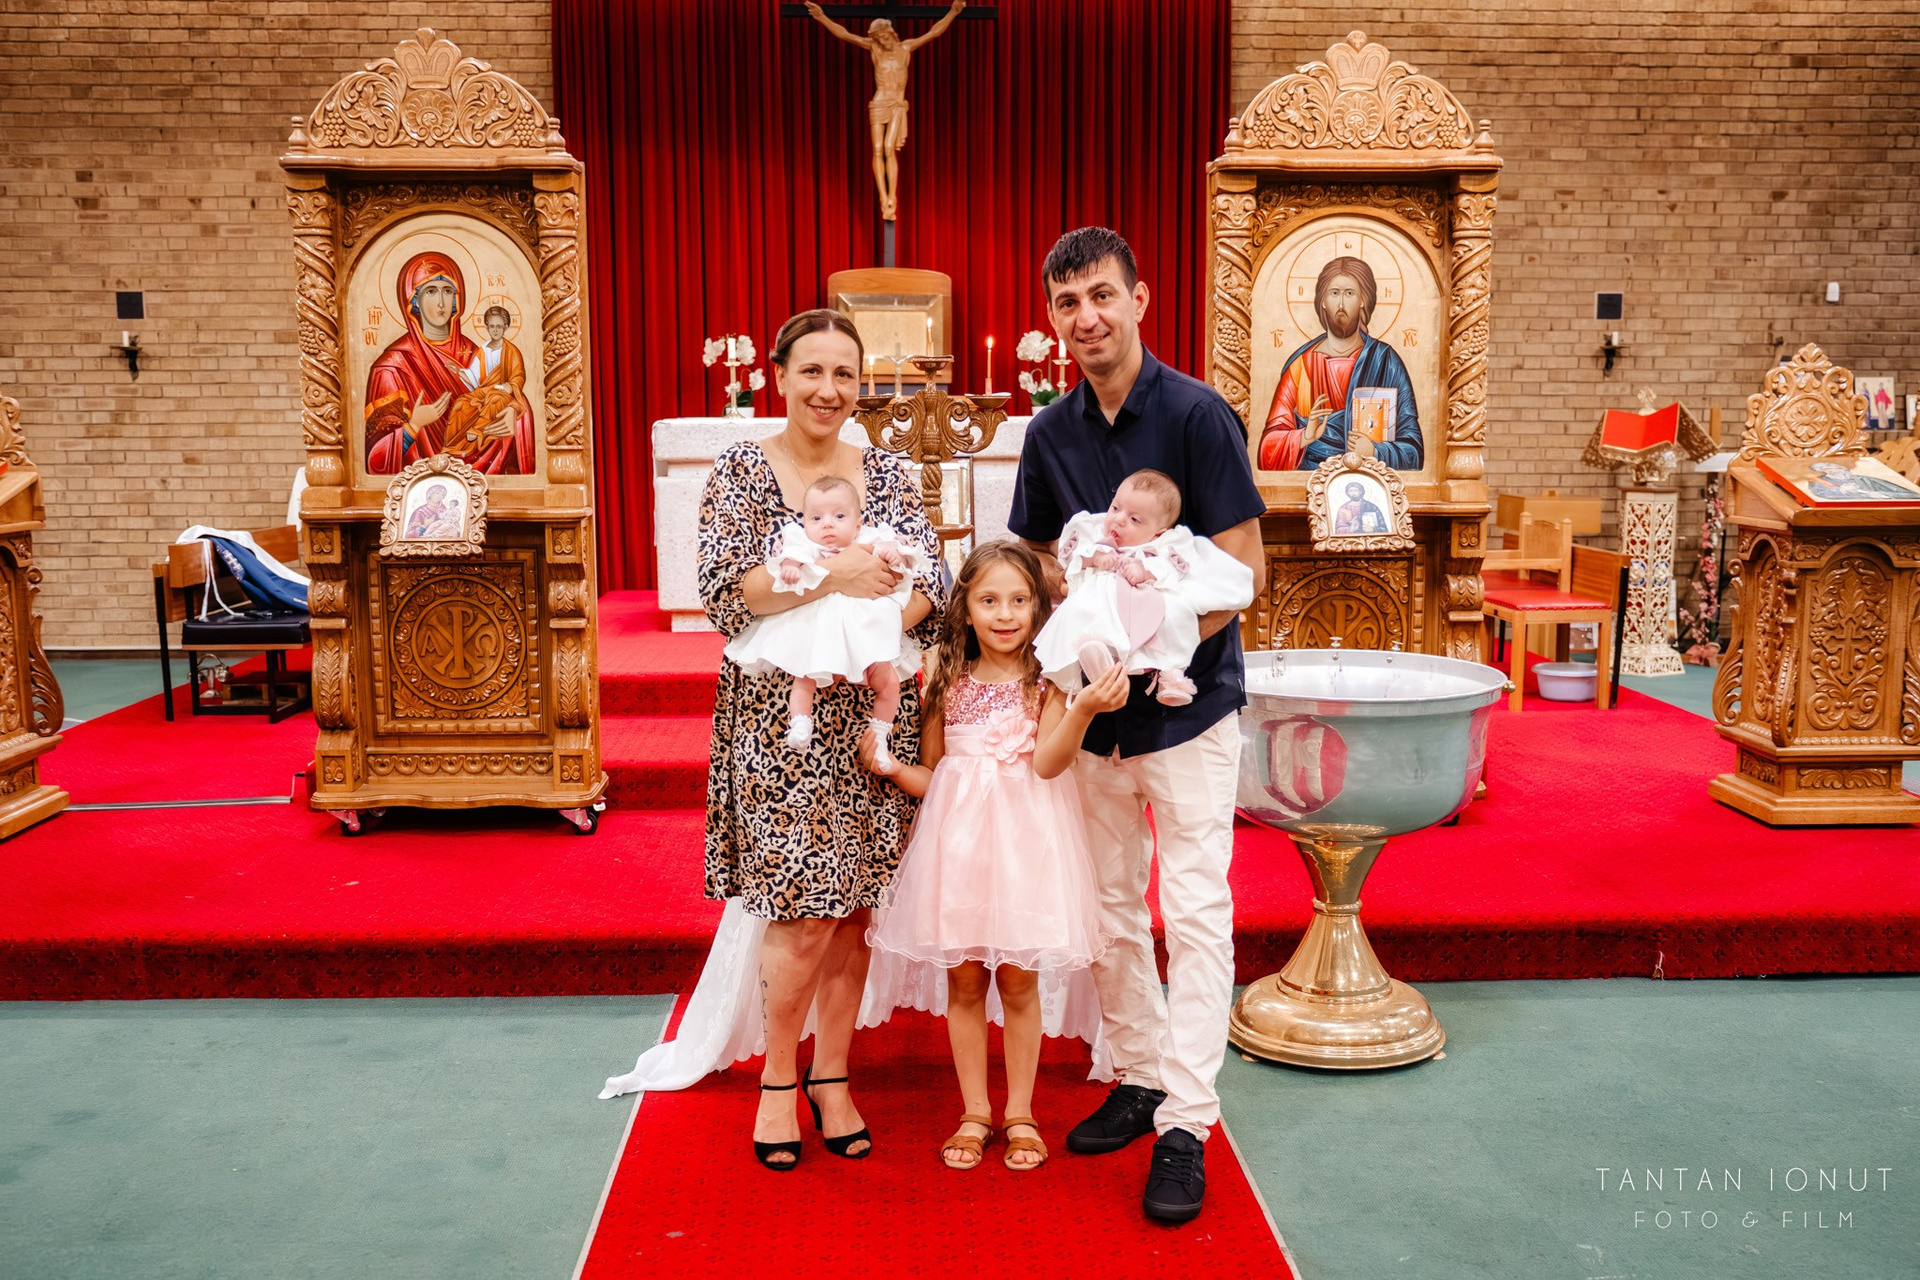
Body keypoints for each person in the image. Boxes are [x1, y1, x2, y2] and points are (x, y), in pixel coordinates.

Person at [1008, 227, 1266, 1223]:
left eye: (1102, 295)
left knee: (1194, 913)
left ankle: (1187, 1121)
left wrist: (1151, 650)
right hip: (1092, 715)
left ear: (1140, 298)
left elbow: (1244, 569)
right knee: (1111, 909)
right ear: (1053, 317)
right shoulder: (1048, 435)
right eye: (1068, 302)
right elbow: (1036, 561)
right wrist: (1071, 641)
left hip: (1186, 712)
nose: (1087, 318)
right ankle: (1142, 1071)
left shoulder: (1198, 414)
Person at [659, 309, 942, 1170]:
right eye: (812, 371)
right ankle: (778, 1078)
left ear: (862, 385)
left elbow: (929, 582)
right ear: (780, 375)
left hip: (869, 717)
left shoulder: (887, 472)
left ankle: (833, 1074)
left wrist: (872, 623)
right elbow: (723, 591)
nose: (828, 389)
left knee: (854, 905)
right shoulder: (743, 470)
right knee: (800, 911)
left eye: (844, 374)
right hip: (780, 725)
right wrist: (838, 574)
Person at [863, 541, 1128, 1171]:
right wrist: (892, 767)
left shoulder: (1050, 681)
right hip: (958, 852)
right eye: (988, 600)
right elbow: (936, 775)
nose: (1004, 614)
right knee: (963, 980)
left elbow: (1048, 764)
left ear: (1038, 608)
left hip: (1026, 852)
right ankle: (975, 1111)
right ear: (967, 607)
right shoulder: (944, 680)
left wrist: (1082, 709)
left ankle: (1022, 1113)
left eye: (1018, 600)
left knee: (1017, 979)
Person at [722, 474, 929, 768]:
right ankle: (800, 722)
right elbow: (790, 557)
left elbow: (901, 558)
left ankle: (880, 735)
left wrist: (894, 554)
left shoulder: (868, 539)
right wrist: (792, 566)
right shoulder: (807, 545)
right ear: (805, 523)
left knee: (888, 682)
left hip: (864, 632)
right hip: (822, 632)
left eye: (839, 516)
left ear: (858, 523)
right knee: (804, 675)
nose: (827, 524)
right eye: (817, 518)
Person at [1034, 469, 1255, 707]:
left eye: (1135, 520)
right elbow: (1072, 557)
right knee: (1084, 611)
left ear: (1157, 533)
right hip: (1102, 596)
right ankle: (1103, 668)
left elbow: (1172, 567)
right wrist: (1095, 557)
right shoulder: (1094, 529)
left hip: (1146, 599)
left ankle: (1171, 674)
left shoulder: (1163, 544)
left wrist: (1146, 570)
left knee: (1177, 615)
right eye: (1115, 508)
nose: (1119, 520)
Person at [364, 252, 534, 475]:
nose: (441, 302)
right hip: (420, 480)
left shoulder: (477, 353)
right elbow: (375, 457)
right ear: (413, 300)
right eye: (430, 291)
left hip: (482, 475)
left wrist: (514, 412)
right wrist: (413, 426)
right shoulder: (392, 367)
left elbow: (507, 390)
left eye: (448, 291)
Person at [1257, 255, 1423, 472]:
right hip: (1308, 484)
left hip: (1371, 482)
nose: (1341, 304)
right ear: (1323, 301)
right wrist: (1304, 436)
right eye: (1334, 293)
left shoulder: (1386, 362)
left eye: (1350, 293)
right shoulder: (1301, 366)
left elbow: (1413, 451)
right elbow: (1267, 451)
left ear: (1363, 300)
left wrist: (1375, 451)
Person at [804, 0, 965, 220]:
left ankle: (892, 197)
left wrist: (953, 12)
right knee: (878, 149)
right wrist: (822, 18)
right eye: (878, 38)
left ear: (890, 33)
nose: (882, 40)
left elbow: (933, 33)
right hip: (878, 103)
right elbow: (845, 35)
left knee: (889, 148)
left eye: (884, 36)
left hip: (897, 104)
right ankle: (884, 198)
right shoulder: (875, 49)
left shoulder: (906, 47)